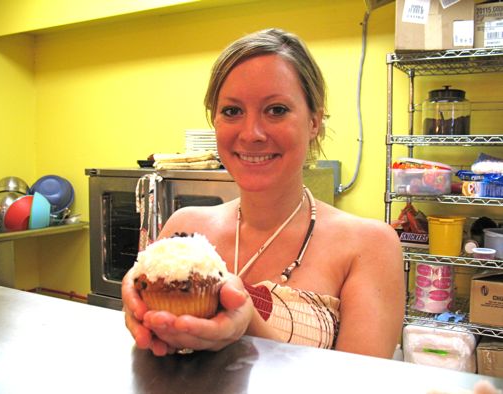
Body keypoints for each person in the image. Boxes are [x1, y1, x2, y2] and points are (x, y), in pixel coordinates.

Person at [122, 28, 405, 358]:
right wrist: (142, 317)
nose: (251, 133)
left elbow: (360, 386)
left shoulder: (370, 246)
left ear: (314, 121)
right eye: (232, 111)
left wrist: (248, 324)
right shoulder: (183, 231)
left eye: (276, 110)